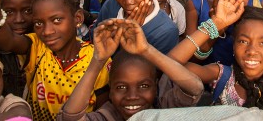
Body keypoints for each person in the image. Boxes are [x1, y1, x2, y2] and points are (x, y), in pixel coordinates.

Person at [169, 0, 263, 119]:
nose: (252, 51)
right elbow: (171, 63)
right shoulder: (221, 77)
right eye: (243, 41)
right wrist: (214, 25)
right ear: (233, 45)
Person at [58, 19, 203, 121]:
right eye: (121, 87)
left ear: (155, 86)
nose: (132, 96)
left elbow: (194, 88)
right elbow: (69, 118)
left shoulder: (163, 108)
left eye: (144, 86)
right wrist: (98, 60)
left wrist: (147, 50)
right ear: (110, 91)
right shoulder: (106, 117)